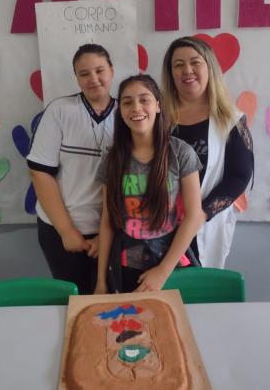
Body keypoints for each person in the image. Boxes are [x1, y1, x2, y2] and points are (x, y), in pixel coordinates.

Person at [94, 74, 205, 294]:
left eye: (144, 99)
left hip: (172, 262)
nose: (136, 107)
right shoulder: (113, 160)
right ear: (121, 112)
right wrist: (101, 281)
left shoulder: (180, 152)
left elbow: (194, 217)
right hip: (127, 264)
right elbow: (107, 221)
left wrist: (162, 271)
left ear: (157, 106)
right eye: (127, 102)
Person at [27, 43, 116, 294]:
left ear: (112, 70)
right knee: (73, 300)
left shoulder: (128, 113)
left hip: (112, 230)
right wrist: (67, 231)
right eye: (84, 73)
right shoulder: (59, 110)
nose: (93, 79)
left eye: (100, 70)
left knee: (112, 299)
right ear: (76, 78)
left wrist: (108, 234)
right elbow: (40, 172)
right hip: (61, 230)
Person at [162, 36, 254, 268]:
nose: (187, 70)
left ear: (209, 67)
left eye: (195, 62)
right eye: (179, 65)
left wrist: (199, 215)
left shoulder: (231, 120)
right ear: (171, 73)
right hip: (160, 224)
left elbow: (239, 177)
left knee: (200, 292)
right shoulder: (158, 117)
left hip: (204, 224)